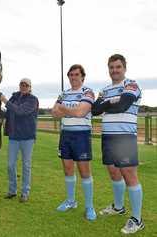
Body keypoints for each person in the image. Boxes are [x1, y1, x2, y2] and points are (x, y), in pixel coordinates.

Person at [92, 54, 144, 234]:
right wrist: (109, 102)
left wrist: (106, 104)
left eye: (118, 67)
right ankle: (118, 207)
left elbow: (123, 105)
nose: (114, 70)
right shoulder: (105, 89)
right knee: (113, 172)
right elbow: (95, 110)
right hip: (108, 136)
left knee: (129, 175)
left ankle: (137, 219)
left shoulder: (131, 85)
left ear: (124, 68)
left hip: (124, 137)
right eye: (111, 67)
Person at [51, 64, 97, 221]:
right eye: (70, 75)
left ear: (82, 76)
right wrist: (68, 110)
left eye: (76, 74)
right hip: (66, 135)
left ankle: (89, 206)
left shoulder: (88, 91)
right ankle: (71, 201)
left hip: (82, 135)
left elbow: (81, 112)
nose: (73, 77)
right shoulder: (64, 93)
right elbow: (53, 113)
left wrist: (63, 109)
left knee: (84, 172)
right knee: (68, 169)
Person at [0, 78, 39, 202]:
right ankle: (12, 191)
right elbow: (8, 113)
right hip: (14, 136)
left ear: (30, 87)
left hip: (27, 137)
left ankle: (25, 192)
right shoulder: (14, 98)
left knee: (26, 165)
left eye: (26, 85)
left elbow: (20, 111)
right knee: (10, 165)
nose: (23, 86)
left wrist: (4, 100)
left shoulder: (33, 100)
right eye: (22, 84)